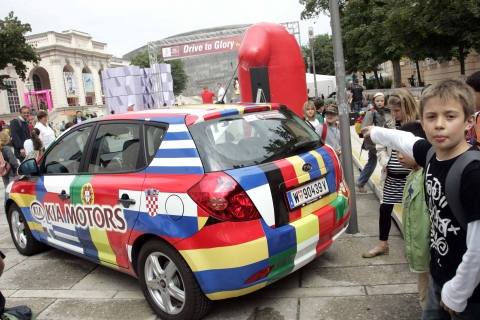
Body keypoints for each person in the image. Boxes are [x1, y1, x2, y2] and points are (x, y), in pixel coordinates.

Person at [362, 79, 480, 319]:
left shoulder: (473, 173)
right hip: (438, 276)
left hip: (468, 292)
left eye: (450, 116)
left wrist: (458, 291)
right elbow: (405, 140)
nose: (439, 125)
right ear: (422, 121)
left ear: (469, 122)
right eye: (431, 117)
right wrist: (374, 132)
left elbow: (478, 247)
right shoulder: (430, 153)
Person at [362, 88, 419, 258]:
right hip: (391, 176)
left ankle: (416, 248)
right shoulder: (389, 125)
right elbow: (380, 145)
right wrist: (386, 161)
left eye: (397, 110)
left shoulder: (418, 126)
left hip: (411, 177)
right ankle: (382, 244)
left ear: (407, 107)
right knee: (385, 210)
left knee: (414, 214)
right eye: (392, 111)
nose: (394, 114)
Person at [396, 122, 430, 310]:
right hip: (420, 254)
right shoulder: (412, 175)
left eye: (404, 150)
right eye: (397, 150)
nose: (399, 155)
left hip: (431, 255)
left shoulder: (429, 176)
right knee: (424, 296)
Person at [355, 92, 387, 193]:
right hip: (374, 143)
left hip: (379, 142)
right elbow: (364, 128)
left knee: (372, 162)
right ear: (374, 101)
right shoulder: (371, 112)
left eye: (382, 101)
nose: (380, 103)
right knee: (385, 162)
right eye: (378, 101)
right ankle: (386, 184)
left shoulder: (381, 112)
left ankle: (361, 182)